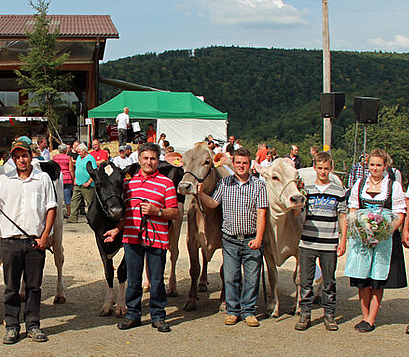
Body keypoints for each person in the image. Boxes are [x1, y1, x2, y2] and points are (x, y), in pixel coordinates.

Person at [0, 139, 57, 344]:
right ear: (13, 159)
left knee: (34, 287)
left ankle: (33, 325)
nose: (21, 160)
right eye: (17, 156)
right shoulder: (3, 180)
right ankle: (12, 326)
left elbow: (51, 207)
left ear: (31, 156)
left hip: (34, 242)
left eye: (25, 155)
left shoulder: (43, 178)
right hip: (10, 241)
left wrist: (45, 235)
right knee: (11, 287)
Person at [104, 143, 180, 333]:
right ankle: (133, 315)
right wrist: (116, 230)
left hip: (157, 238)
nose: (149, 162)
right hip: (131, 238)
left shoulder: (166, 183)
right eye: (145, 158)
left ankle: (158, 316)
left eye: (153, 158)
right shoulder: (129, 184)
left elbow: (175, 212)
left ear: (158, 160)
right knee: (134, 279)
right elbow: (127, 213)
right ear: (139, 160)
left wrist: (157, 211)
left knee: (156, 280)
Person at [197, 147, 268, 327]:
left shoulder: (259, 185)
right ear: (233, 164)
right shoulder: (225, 183)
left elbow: (262, 214)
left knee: (252, 277)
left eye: (244, 163)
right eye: (238, 163)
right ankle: (233, 310)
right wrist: (199, 194)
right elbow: (213, 203)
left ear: (250, 164)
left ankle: (249, 311)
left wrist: (259, 238)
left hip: (251, 238)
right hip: (230, 238)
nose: (241, 166)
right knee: (231, 277)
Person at [344, 148, 406, 333]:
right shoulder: (359, 184)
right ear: (367, 165)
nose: (375, 168)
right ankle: (364, 316)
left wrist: (384, 232)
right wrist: (360, 228)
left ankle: (371, 319)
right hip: (362, 238)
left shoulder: (393, 186)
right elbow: (353, 209)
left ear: (385, 166)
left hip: (384, 240)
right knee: (362, 279)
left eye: (379, 165)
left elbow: (400, 213)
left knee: (377, 279)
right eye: (372, 165)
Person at [295, 151, 347, 331]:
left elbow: (342, 216)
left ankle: (329, 314)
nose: (323, 172)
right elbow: (297, 214)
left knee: (329, 281)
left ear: (331, 169)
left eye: (326, 168)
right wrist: (297, 199)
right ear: (314, 168)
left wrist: (343, 241)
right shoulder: (307, 190)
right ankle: (305, 314)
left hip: (329, 242)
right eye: (319, 168)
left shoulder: (338, 191)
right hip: (308, 242)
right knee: (306, 281)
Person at [68, 143, 96, 223]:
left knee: (90, 202)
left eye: (79, 152)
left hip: (87, 185)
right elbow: (77, 168)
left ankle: (92, 218)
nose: (78, 153)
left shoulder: (90, 158)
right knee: (74, 201)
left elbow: (94, 171)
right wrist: (75, 179)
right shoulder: (79, 158)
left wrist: (89, 182)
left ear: (84, 151)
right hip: (78, 184)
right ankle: (73, 217)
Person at [52, 143, 74, 217]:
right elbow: (71, 169)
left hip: (58, 178)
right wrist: (73, 178)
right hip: (67, 178)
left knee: (58, 196)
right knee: (67, 196)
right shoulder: (68, 158)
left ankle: (58, 212)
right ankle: (68, 212)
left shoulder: (54, 158)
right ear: (65, 150)